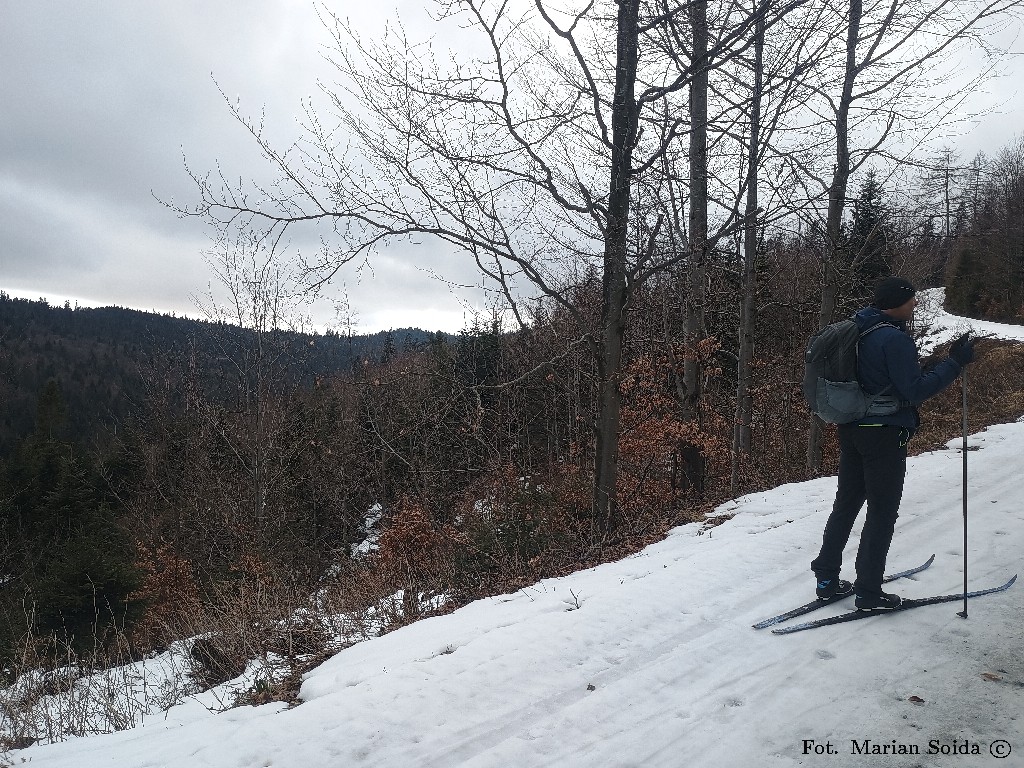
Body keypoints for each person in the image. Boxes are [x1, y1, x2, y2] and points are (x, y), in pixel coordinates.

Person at [810, 277, 976, 611]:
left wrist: (928, 365)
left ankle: (826, 581)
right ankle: (869, 593)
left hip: (852, 428)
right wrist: (955, 364)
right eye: (911, 300)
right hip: (884, 434)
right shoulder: (894, 338)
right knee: (882, 512)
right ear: (897, 302)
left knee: (846, 505)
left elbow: (882, 378)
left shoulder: (859, 329)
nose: (914, 305)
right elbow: (913, 392)